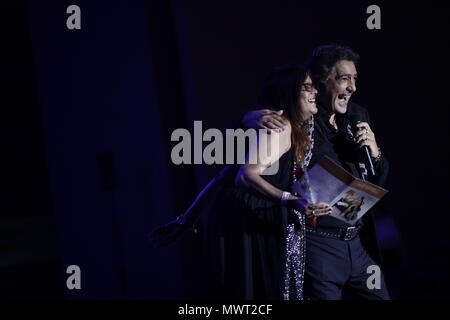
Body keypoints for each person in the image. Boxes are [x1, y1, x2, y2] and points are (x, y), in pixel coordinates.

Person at [151, 65, 331, 299]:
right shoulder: (279, 126)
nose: (314, 91)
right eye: (307, 87)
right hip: (251, 220)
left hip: (243, 217)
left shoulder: (291, 127)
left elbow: (223, 176)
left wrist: (187, 218)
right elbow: (245, 175)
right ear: (288, 92)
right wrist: (289, 200)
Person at [243, 44, 390, 300]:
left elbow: (375, 179)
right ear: (321, 82)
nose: (352, 87)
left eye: (354, 79)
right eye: (344, 79)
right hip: (319, 243)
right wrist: (250, 117)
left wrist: (375, 152)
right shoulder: (303, 118)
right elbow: (263, 129)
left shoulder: (357, 115)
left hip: (356, 240)